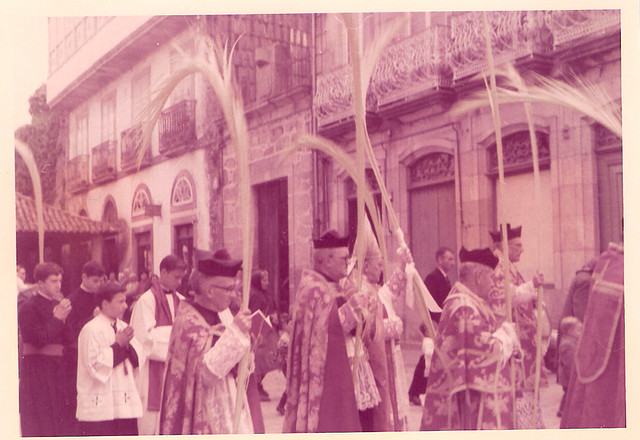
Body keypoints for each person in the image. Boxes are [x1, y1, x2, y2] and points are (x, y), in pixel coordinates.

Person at [420, 247, 519, 430]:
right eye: (491, 278)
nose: (493, 284)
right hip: (465, 404)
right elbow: (483, 353)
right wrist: (506, 336)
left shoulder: (465, 301)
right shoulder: (464, 306)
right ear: (479, 276)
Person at [159, 250, 254, 434]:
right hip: (202, 414)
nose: (233, 295)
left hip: (228, 404)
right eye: (228, 289)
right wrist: (235, 335)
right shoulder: (188, 323)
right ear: (210, 290)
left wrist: (247, 349)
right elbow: (205, 375)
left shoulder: (221, 315)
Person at [283, 229, 362, 433]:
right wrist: (353, 310)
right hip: (321, 371)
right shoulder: (314, 289)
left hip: (339, 365)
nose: (348, 262)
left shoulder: (333, 285)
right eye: (344, 258)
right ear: (327, 260)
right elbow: (324, 329)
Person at [344, 231, 413, 431]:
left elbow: (390, 291)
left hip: (385, 357)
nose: (382, 270)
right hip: (372, 362)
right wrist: (393, 327)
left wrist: (403, 266)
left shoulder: (371, 286)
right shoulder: (360, 288)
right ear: (365, 266)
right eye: (379, 265)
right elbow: (368, 330)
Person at [561, 242, 625, 428]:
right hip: (576, 329)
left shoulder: (605, 265)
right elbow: (584, 310)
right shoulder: (584, 279)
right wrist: (580, 328)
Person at [489, 223, 546, 429]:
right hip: (516, 341)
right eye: (517, 246)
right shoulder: (500, 269)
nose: (522, 250)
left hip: (525, 339)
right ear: (503, 246)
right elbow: (506, 297)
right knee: (519, 390)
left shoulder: (511, 268)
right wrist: (532, 286)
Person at [76, 281, 143, 436]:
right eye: (120, 301)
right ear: (105, 304)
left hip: (125, 407)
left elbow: (139, 358)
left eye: (125, 301)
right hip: (100, 411)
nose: (125, 306)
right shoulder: (91, 329)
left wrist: (126, 347)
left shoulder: (123, 326)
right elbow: (94, 365)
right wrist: (118, 346)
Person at [129, 254, 186, 435]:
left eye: (181, 277)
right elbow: (145, 339)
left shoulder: (182, 301)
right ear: (163, 272)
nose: (179, 281)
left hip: (175, 367)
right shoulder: (147, 300)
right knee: (151, 422)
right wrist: (177, 334)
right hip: (152, 371)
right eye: (176, 277)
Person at [18, 262, 73, 437]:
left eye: (60, 280)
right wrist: (57, 319)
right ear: (40, 283)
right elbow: (38, 340)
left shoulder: (58, 305)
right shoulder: (28, 307)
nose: (58, 285)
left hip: (57, 369)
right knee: (41, 420)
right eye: (53, 280)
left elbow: (69, 339)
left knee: (59, 418)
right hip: (37, 369)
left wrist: (63, 319)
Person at [408, 246, 455, 406]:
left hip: (442, 324)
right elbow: (427, 303)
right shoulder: (432, 278)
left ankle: (425, 390)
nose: (452, 262)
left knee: (432, 357)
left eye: (453, 259)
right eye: (449, 258)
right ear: (439, 260)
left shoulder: (446, 279)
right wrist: (431, 323)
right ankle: (414, 391)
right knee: (427, 356)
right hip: (433, 324)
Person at [63, 260, 106, 435]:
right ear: (84, 277)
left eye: (100, 281)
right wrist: (91, 318)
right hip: (76, 355)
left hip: (99, 353)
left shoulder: (102, 296)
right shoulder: (73, 299)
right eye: (95, 281)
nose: (98, 285)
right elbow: (69, 333)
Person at [248, 270, 279, 401]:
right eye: (264, 280)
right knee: (263, 359)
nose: (267, 283)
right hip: (262, 331)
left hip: (269, 330)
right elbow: (254, 313)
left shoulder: (265, 294)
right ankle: (256, 385)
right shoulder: (255, 295)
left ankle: (258, 384)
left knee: (274, 357)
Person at [556, 316, 582, 418]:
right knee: (568, 393)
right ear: (570, 331)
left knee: (568, 393)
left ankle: (563, 410)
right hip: (568, 375)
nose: (581, 332)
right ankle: (562, 411)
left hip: (569, 374)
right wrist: (574, 375)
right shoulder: (567, 344)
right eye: (579, 330)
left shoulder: (572, 341)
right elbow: (569, 363)